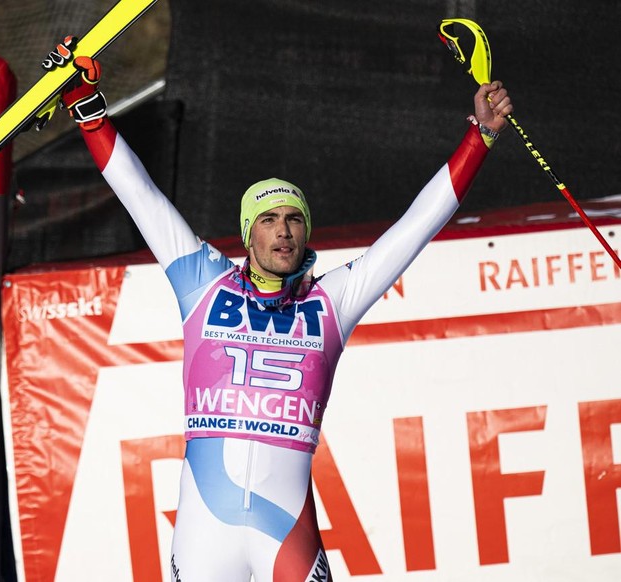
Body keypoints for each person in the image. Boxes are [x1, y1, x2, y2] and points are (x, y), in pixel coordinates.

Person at [43, 40, 513, 582]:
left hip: (285, 537)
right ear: (248, 233)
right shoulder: (203, 282)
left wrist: (480, 137)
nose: (283, 230)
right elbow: (140, 195)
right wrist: (88, 109)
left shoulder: (332, 301)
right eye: (269, 219)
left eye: (294, 219)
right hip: (205, 540)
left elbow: (415, 227)